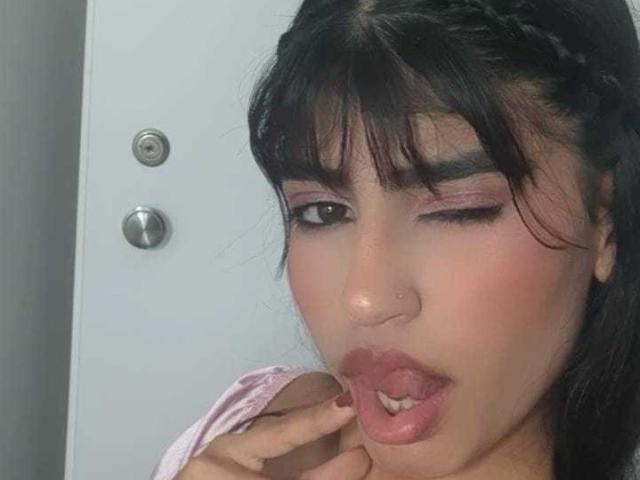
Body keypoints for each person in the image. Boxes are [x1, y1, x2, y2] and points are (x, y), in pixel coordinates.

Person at [150, 0, 640, 478]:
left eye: (457, 209)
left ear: (605, 219)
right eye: (322, 211)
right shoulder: (232, 444)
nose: (363, 300)